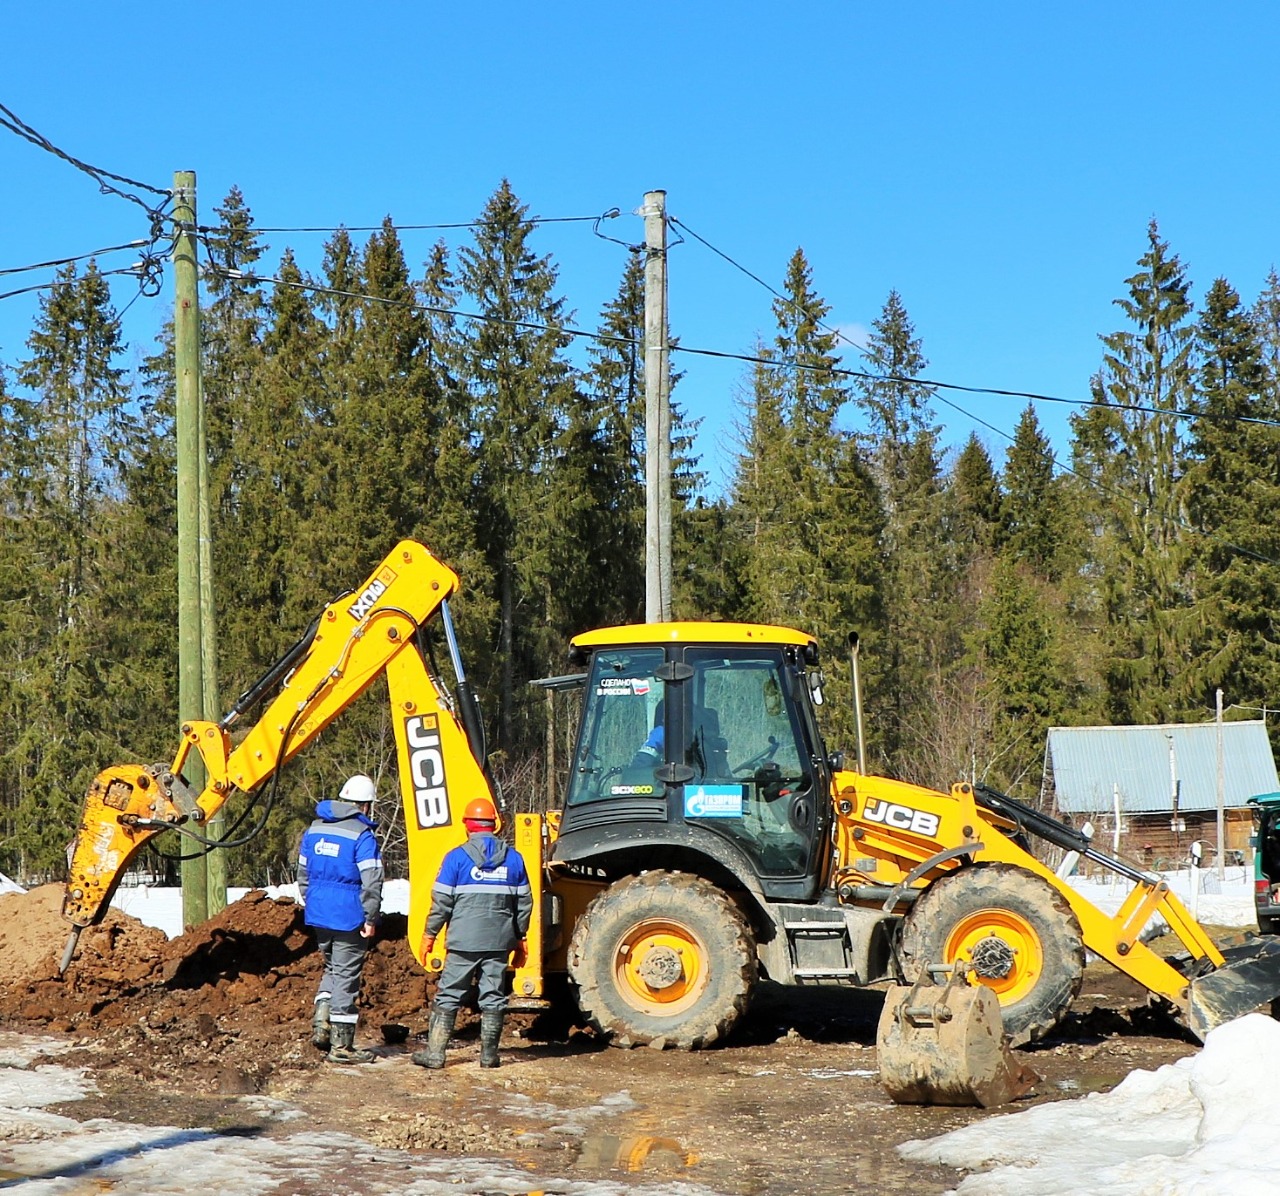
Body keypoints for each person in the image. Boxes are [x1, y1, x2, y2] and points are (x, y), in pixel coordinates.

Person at [412, 795, 532, 1070]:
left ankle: (435, 1055)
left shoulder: (455, 859)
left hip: (464, 941)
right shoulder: (514, 860)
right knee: (493, 996)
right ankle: (489, 1057)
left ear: (467, 825)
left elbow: (441, 903)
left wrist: (429, 935)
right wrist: (520, 937)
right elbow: (524, 903)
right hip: (498, 940)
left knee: (449, 995)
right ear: (494, 825)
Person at [297, 772, 384, 1065]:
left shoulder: (314, 829)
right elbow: (372, 882)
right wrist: (370, 917)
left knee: (333, 968)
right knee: (347, 977)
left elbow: (303, 874)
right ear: (365, 806)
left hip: (319, 912)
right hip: (348, 915)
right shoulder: (362, 835)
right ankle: (341, 1047)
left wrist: (314, 901)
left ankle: (322, 1024)